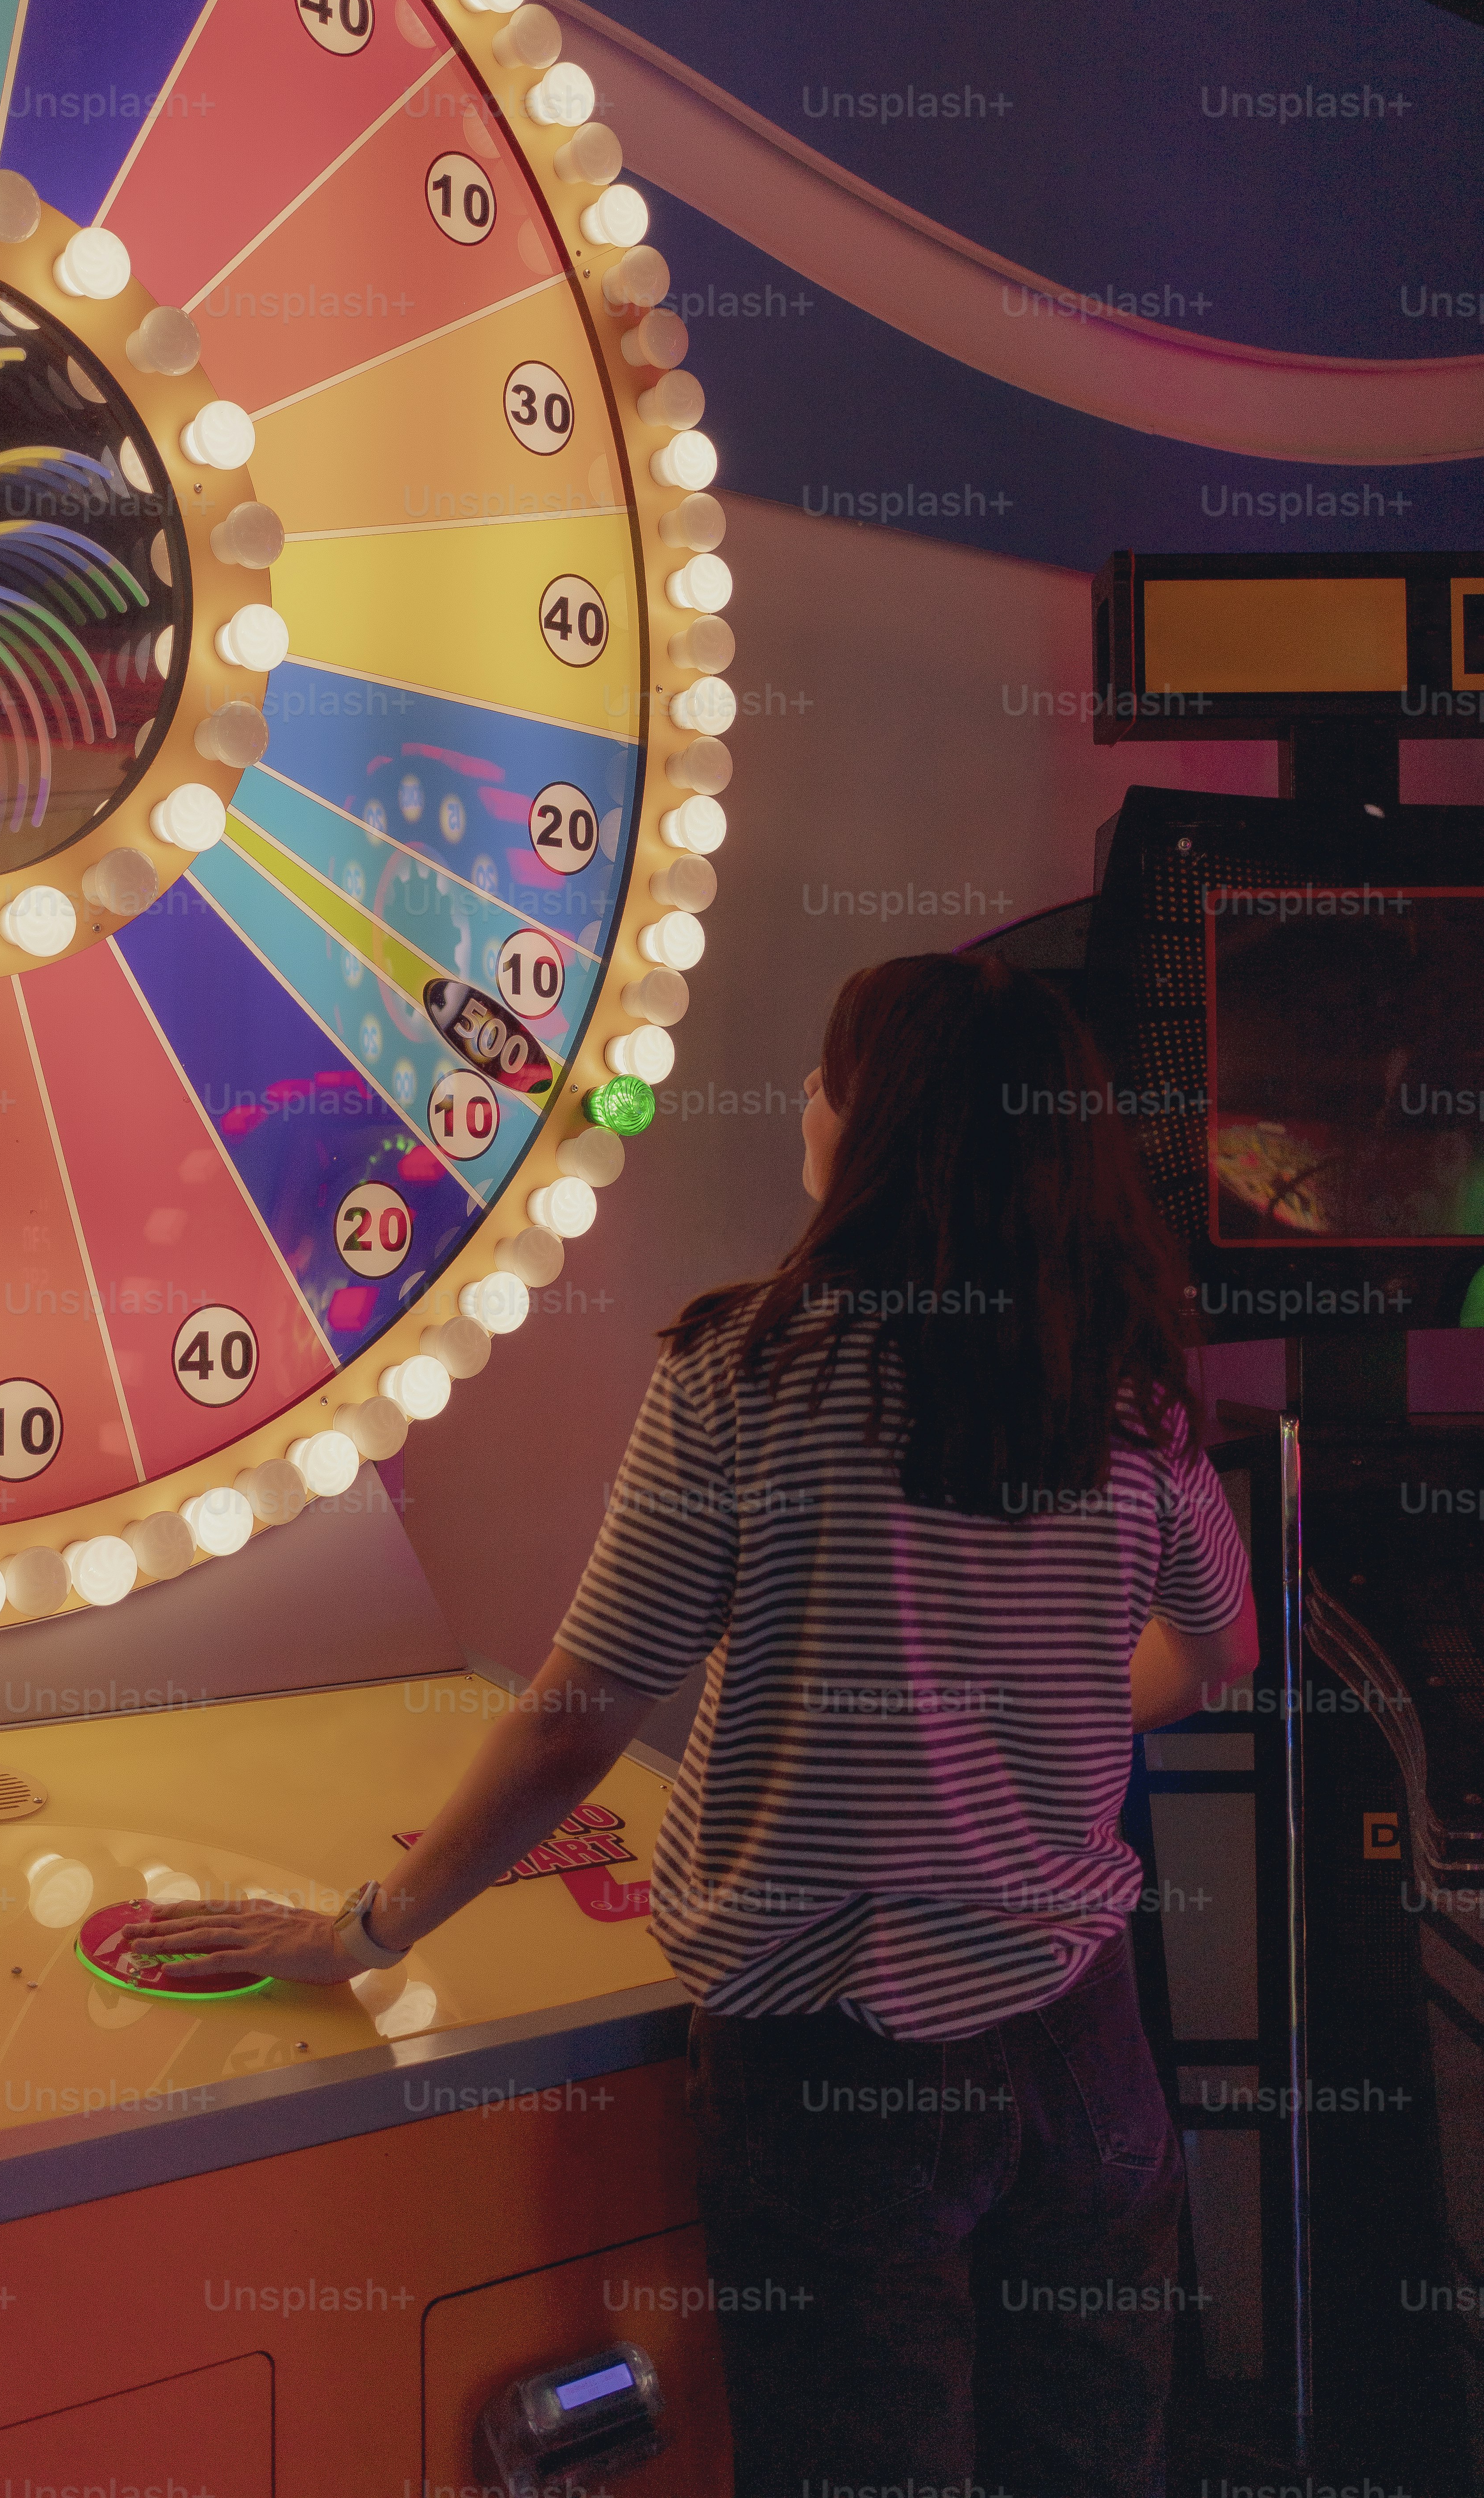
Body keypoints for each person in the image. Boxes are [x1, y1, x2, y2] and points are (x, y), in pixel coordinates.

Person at [129, 953, 1258, 2498]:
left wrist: (367, 1929)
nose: (803, 1100)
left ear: (878, 1131)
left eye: (825, 1079)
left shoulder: (750, 1370)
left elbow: (578, 1720)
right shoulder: (1127, 1388)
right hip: (1084, 2045)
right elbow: (1213, 1654)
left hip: (838, 2074)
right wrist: (1022, 1704)